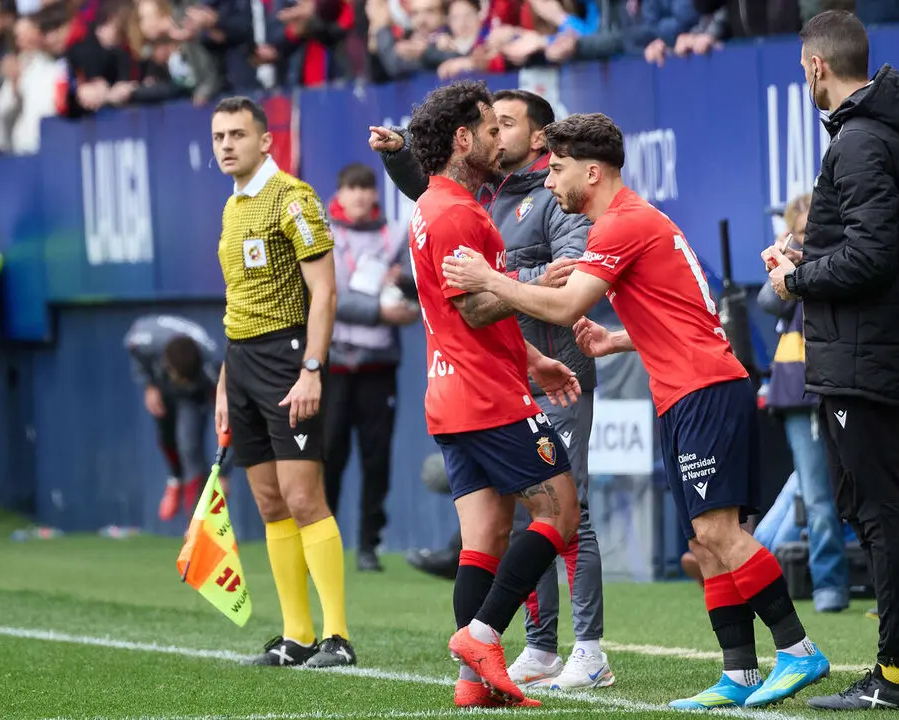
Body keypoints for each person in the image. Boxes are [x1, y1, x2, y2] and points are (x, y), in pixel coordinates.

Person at [442, 111, 830, 712]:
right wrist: (620, 340)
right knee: (705, 544)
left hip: (703, 392)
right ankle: (740, 673)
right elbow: (690, 314)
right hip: (689, 391)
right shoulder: (633, 220)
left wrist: (491, 277)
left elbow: (564, 303)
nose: (549, 181)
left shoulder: (620, 224)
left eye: (560, 168)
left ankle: (798, 649)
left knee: (719, 534)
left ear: (592, 172)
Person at [370, 89, 612, 691]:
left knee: (485, 538)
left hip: (453, 394)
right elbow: (476, 308)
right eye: (487, 126)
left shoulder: (436, 204)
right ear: (461, 138)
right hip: (489, 398)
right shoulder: (456, 212)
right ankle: (480, 638)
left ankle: (470, 683)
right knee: (561, 512)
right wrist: (507, 280)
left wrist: (533, 357)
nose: (496, 138)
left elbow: (464, 315)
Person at [762, 10, 899, 709]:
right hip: (863, 349)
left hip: (863, 353)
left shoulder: (860, 141)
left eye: (802, 67)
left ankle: (898, 675)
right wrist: (805, 254)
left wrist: (797, 278)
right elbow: (883, 239)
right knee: (867, 504)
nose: (803, 77)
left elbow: (874, 257)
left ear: (817, 66)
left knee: (878, 510)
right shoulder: (885, 137)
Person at [210, 96, 353, 669]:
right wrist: (224, 385)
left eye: (237, 135)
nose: (226, 145)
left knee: (303, 497)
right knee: (270, 503)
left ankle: (336, 637)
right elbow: (235, 304)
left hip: (287, 357)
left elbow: (325, 291)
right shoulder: (233, 206)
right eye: (219, 135)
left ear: (265, 141)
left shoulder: (291, 198)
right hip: (240, 361)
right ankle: (296, 637)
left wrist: (312, 367)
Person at [321, 162, 420, 572]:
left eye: (366, 188)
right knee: (329, 455)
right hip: (334, 363)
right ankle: (320, 543)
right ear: (339, 194)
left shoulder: (394, 232)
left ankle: (368, 545)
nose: (360, 196)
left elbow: (415, 297)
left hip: (379, 366)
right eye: (351, 188)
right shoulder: (323, 232)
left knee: (376, 459)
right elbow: (326, 298)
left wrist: (402, 292)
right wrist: (380, 313)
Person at [755, 194, 850, 614]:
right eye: (805, 228)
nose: (811, 235)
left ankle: (757, 556)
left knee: (819, 485)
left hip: (843, 381)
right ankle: (828, 582)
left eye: (819, 227)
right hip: (801, 388)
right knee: (814, 491)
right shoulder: (791, 263)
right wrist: (783, 261)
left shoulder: (848, 256)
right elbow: (769, 301)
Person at [124, 314, 233, 521]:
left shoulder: (211, 364)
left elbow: (231, 420)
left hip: (194, 396)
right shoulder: (146, 340)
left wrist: (225, 473)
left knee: (190, 447)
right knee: (164, 423)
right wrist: (148, 384)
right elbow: (135, 350)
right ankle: (175, 479)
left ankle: (197, 522)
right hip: (162, 379)